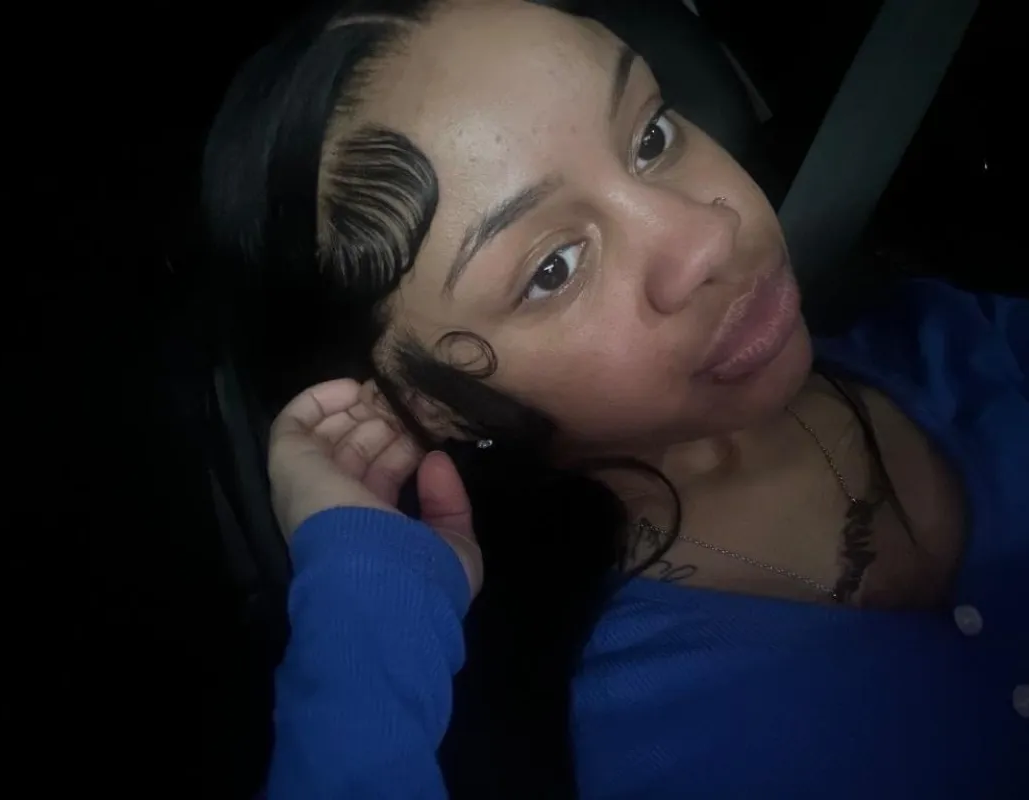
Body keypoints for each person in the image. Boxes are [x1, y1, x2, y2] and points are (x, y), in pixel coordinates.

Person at [201, 0, 1029, 797]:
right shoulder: (554, 734)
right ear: (425, 404)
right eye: (552, 269)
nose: (707, 236)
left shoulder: (951, 339)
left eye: (651, 137)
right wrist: (365, 603)